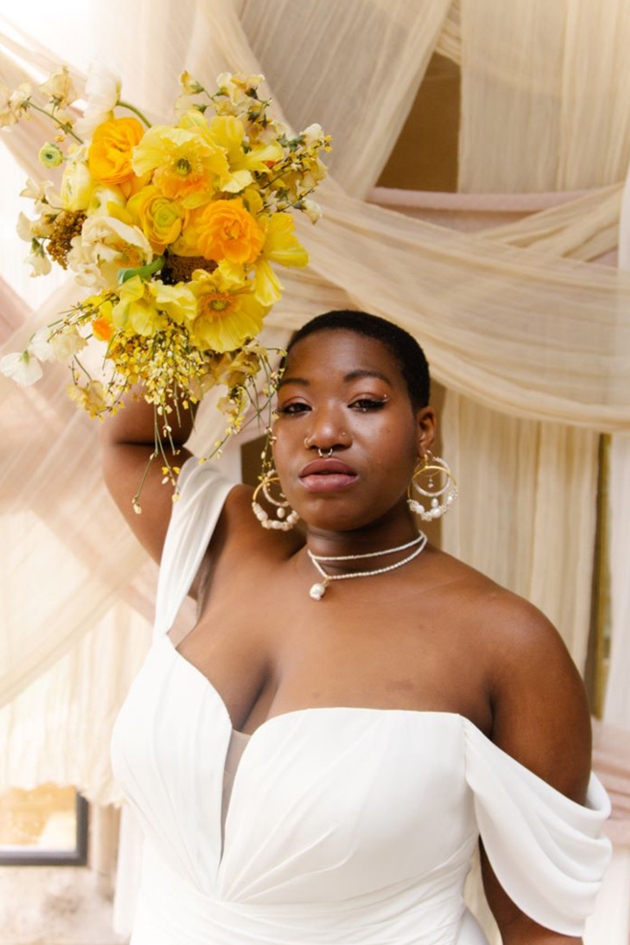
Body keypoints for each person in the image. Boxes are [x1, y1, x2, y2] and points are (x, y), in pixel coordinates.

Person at [104, 310, 611, 945]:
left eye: (365, 402)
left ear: (424, 429)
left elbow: (540, 932)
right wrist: (194, 308)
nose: (324, 432)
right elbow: (132, 445)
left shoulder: (507, 642)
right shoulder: (229, 550)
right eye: (293, 408)